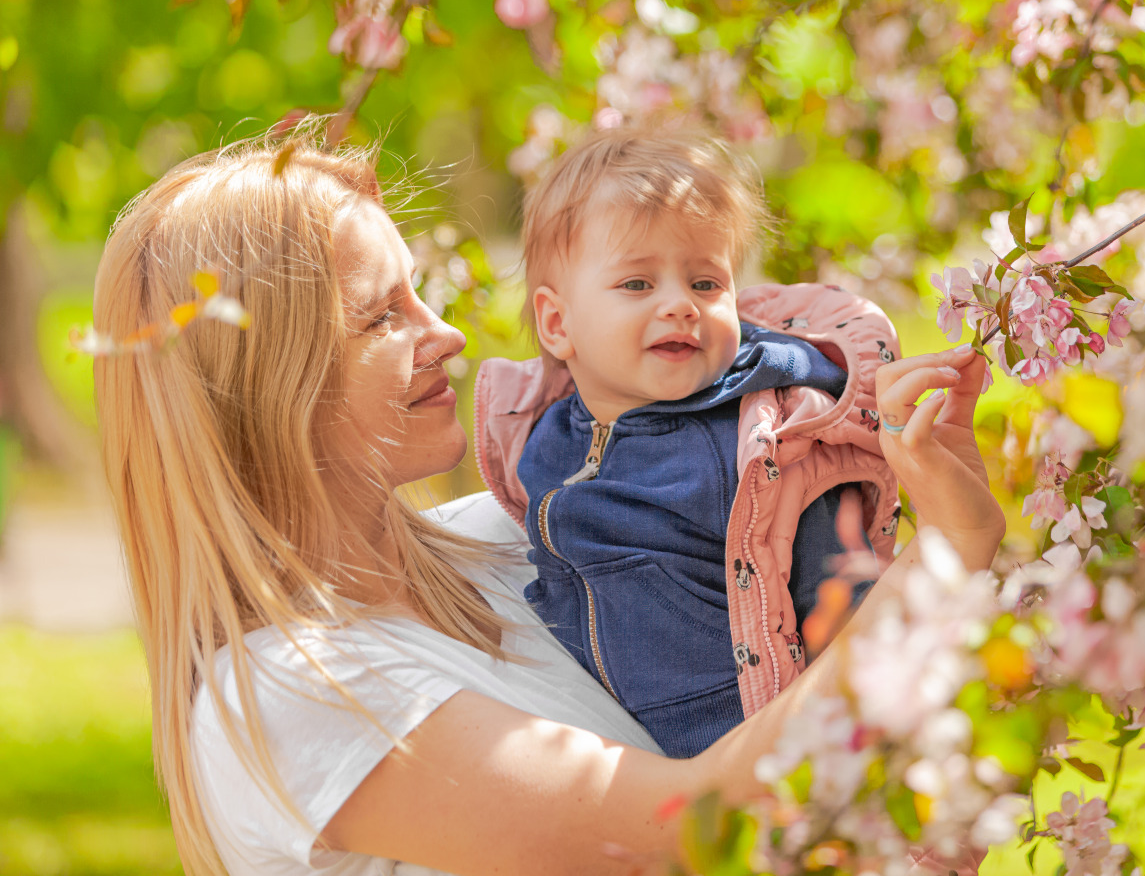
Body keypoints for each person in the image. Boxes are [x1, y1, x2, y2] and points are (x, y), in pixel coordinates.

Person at [92, 126, 1003, 876]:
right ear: (269, 386)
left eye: (420, 294)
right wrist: (952, 552)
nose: (444, 333)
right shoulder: (296, 695)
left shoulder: (525, 536)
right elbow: (688, 835)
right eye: (381, 316)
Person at [473, 127, 897, 758]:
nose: (680, 305)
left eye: (705, 283)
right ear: (558, 324)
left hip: (744, 759)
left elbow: (848, 607)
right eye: (637, 285)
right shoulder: (540, 438)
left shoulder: (767, 447)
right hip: (606, 766)